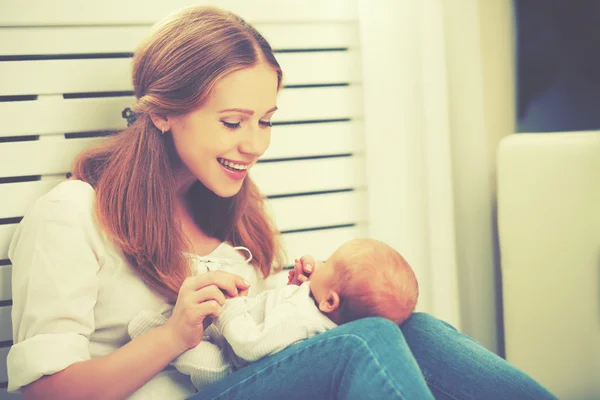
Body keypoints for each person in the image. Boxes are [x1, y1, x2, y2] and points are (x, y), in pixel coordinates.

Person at [6, 5, 557, 400]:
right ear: (161, 112)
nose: (255, 144)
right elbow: (44, 393)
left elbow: (258, 339)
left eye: (265, 121)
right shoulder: (72, 215)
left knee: (409, 325)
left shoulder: (233, 212)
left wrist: (303, 298)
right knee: (363, 343)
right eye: (232, 122)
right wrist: (172, 336)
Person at [128, 238, 419, 391]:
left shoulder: (302, 319)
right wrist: (295, 287)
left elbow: (250, 345)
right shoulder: (318, 313)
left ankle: (150, 340)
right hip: (239, 338)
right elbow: (278, 322)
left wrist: (231, 307)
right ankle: (157, 335)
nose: (319, 261)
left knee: (183, 348)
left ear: (330, 301)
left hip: (228, 366)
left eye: (327, 262)